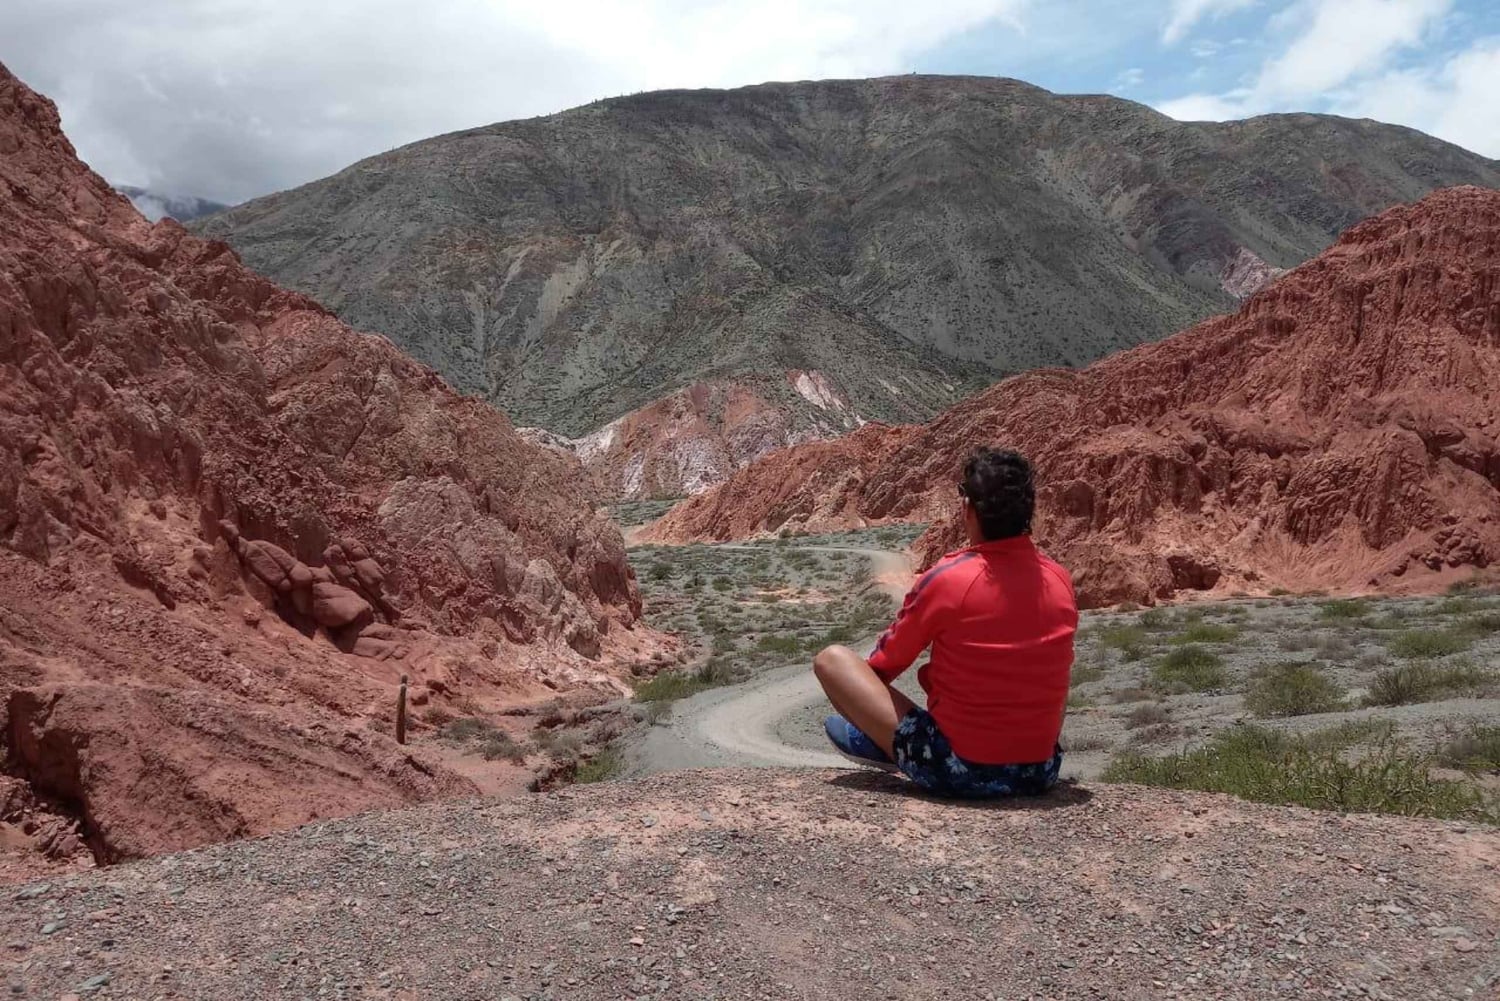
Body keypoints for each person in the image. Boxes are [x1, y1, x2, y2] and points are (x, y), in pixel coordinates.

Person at [812, 446, 1077, 798]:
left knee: (832, 661)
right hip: (1040, 771)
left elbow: (883, 667)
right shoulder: (1059, 578)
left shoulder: (950, 578)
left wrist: (875, 722)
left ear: (967, 508)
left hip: (959, 769)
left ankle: (885, 747)